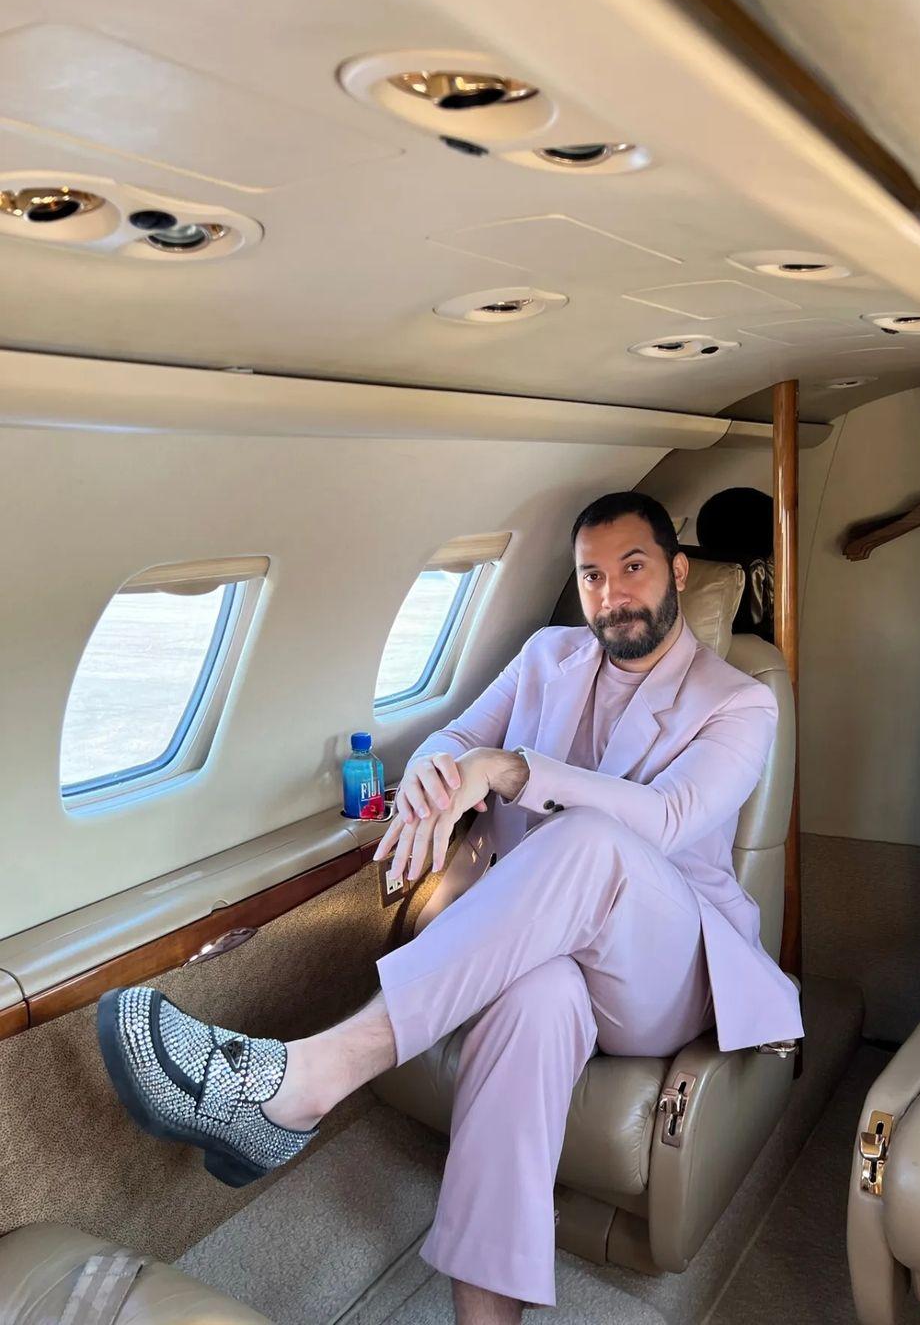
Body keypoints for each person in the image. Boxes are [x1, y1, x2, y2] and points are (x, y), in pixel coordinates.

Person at [96, 491, 804, 1325]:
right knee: (534, 1002)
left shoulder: (740, 699)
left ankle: (315, 1076)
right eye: (591, 576)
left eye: (633, 567)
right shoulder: (547, 656)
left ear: (678, 571)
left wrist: (512, 769)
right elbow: (456, 737)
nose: (612, 594)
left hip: (664, 972)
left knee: (590, 838)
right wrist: (438, 773)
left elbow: (668, 817)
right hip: (549, 952)